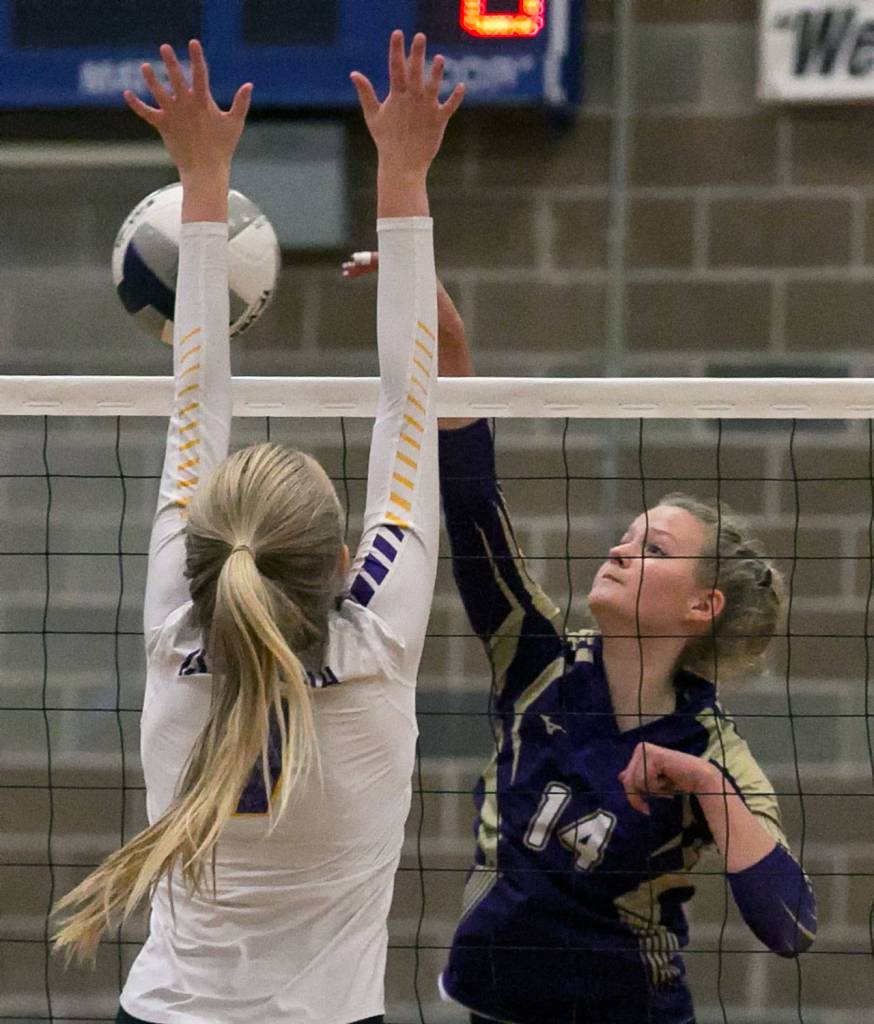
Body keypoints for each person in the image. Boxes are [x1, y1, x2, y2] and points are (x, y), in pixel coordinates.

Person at [52, 33, 463, 1024]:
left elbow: (195, 402)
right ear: (337, 560)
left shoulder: (175, 635)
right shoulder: (375, 643)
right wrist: (404, 176)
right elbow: (413, 407)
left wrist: (202, 183)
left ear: (204, 548)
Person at [343, 254, 817, 1024]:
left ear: (703, 606)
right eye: (627, 536)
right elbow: (471, 505)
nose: (621, 550)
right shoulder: (536, 662)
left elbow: (791, 926)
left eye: (653, 550)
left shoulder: (712, 752)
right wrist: (448, 340)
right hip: (491, 1010)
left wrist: (704, 789)